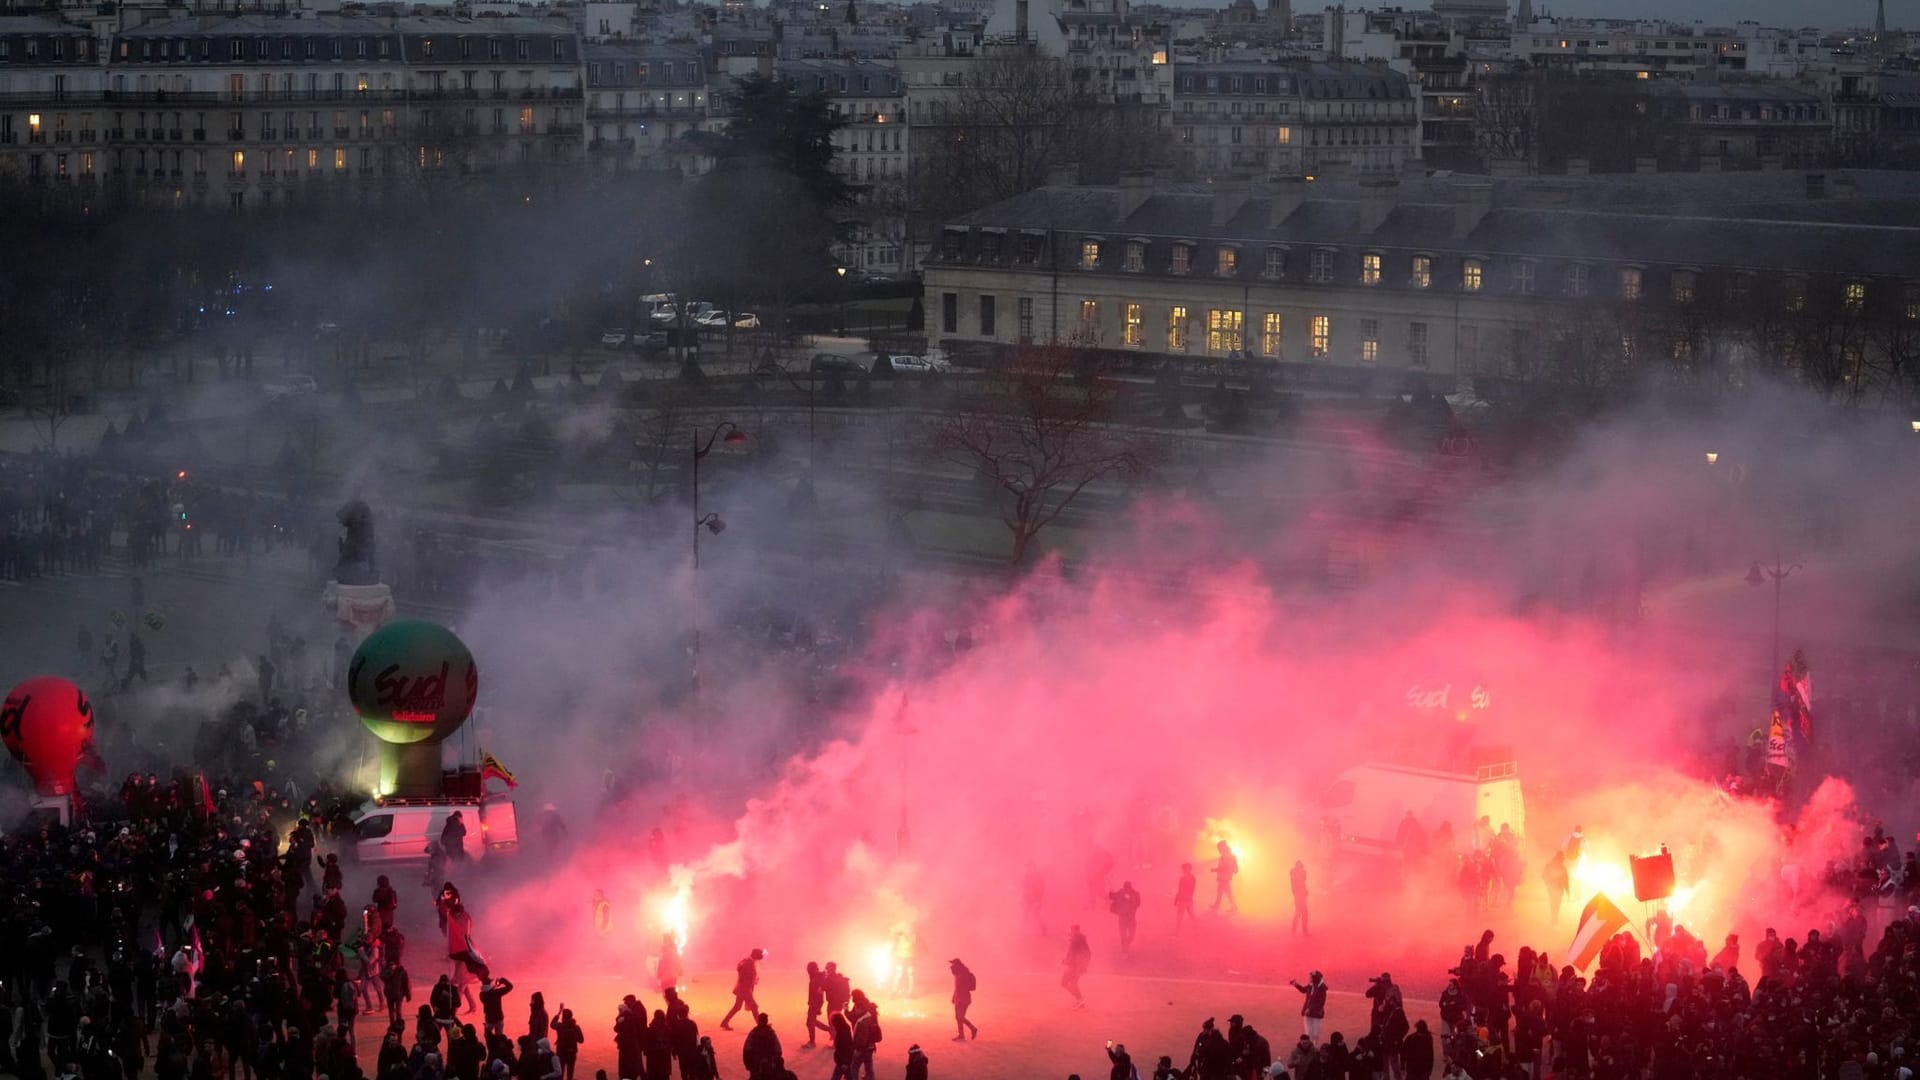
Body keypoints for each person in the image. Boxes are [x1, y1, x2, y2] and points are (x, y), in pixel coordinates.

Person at [721, 948, 765, 1030]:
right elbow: (744, 975)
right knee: (754, 1006)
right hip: (744, 989)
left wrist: (753, 980)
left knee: (737, 1006)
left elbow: (742, 971)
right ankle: (760, 1025)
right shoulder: (749, 963)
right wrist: (752, 981)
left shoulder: (748, 961)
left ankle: (724, 1022)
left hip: (743, 988)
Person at [1289, 971, 1328, 1040]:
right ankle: (1309, 1047)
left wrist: (1310, 1009)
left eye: (1311, 977)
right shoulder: (1311, 985)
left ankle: (1315, 1048)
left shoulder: (1322, 988)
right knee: (1308, 1033)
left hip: (1316, 1014)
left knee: (1315, 1034)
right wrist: (1296, 984)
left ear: (1315, 979)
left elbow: (1321, 1002)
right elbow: (1304, 990)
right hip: (1307, 1012)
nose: (1309, 978)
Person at [741, 1013, 781, 1080]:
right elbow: (778, 1050)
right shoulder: (770, 1033)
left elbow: (747, 1049)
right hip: (766, 1064)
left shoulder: (754, 1033)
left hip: (757, 1064)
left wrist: (748, 1063)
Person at [948, 958, 978, 1042]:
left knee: (960, 1017)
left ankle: (973, 1029)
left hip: (964, 999)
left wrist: (958, 998)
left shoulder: (963, 974)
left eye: (953, 965)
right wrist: (954, 997)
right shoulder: (958, 974)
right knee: (958, 1017)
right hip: (959, 998)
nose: (951, 967)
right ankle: (962, 1035)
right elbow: (957, 988)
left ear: (957, 965)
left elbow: (963, 988)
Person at [1061, 926, 1091, 1008]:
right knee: (1065, 983)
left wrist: (1081, 966)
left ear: (1076, 930)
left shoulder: (1077, 940)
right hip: (1074, 965)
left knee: (1069, 983)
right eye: (1071, 930)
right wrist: (1066, 960)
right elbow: (1072, 953)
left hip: (1076, 966)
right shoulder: (1076, 940)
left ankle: (1080, 1000)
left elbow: (1080, 954)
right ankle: (1080, 1000)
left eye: (1072, 931)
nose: (1071, 932)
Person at [1109, 881, 1143, 954]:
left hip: (1131, 918)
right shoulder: (1121, 892)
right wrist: (1111, 892)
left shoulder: (1135, 894)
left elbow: (1138, 903)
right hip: (1122, 918)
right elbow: (1113, 897)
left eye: (1127, 888)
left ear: (1130, 888)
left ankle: (1127, 944)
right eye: (1125, 888)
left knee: (1132, 935)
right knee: (1123, 935)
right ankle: (1124, 949)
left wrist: (1129, 898)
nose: (1126, 889)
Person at [552, 1009, 583, 1080]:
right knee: (570, 1076)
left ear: (564, 1017)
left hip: (561, 1053)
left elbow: (552, 1024)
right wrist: (574, 1038)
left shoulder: (560, 1026)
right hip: (571, 1054)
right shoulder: (576, 1027)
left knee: (560, 1075)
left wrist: (559, 1012)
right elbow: (581, 1040)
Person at [804, 962, 830, 1048]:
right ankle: (830, 1030)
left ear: (813, 969)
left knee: (810, 1022)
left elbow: (822, 986)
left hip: (816, 1002)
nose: (807, 970)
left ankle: (812, 1042)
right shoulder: (813, 976)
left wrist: (817, 1003)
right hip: (813, 1002)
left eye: (809, 968)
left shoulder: (818, 977)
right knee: (811, 1021)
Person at [1212, 841, 1239, 914]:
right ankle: (1218, 905)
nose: (1219, 850)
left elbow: (1225, 867)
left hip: (1224, 877)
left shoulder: (1226, 856)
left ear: (1222, 847)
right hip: (1224, 877)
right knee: (1223, 892)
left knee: (1225, 892)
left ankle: (1233, 906)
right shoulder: (1225, 855)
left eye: (1219, 847)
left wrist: (1215, 870)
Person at [1543, 851, 1570, 924]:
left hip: (1556, 889)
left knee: (1555, 903)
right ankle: (1554, 918)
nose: (1562, 860)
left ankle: (1554, 918)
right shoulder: (1553, 866)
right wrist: (1549, 883)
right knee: (1555, 903)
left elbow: (1566, 880)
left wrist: (1567, 891)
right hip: (1555, 888)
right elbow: (1566, 879)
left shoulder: (1553, 865)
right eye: (1562, 859)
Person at [828, 1011, 856, 1080]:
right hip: (844, 1061)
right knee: (849, 1076)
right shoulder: (844, 1028)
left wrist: (845, 1062)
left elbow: (846, 1048)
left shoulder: (842, 1032)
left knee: (836, 1077)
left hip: (842, 1061)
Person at [1173, 864, 1197, 932]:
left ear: (1190, 869)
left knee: (1181, 916)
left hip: (1185, 899)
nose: (1184, 870)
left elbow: (1192, 889)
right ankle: (1196, 927)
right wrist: (1176, 899)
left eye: (1185, 868)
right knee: (1189, 914)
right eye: (1183, 868)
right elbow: (1180, 889)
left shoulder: (1190, 878)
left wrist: (1178, 898)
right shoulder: (1184, 878)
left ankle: (1177, 932)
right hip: (1185, 899)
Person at [1289, 860, 1308, 936]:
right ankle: (1302, 930)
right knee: (1301, 913)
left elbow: (1302, 884)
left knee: (1300, 913)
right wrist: (1299, 893)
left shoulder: (1298, 874)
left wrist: (1305, 891)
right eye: (1301, 867)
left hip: (1300, 896)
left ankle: (1295, 930)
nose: (1302, 869)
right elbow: (1296, 886)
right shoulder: (1296, 874)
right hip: (1298, 896)